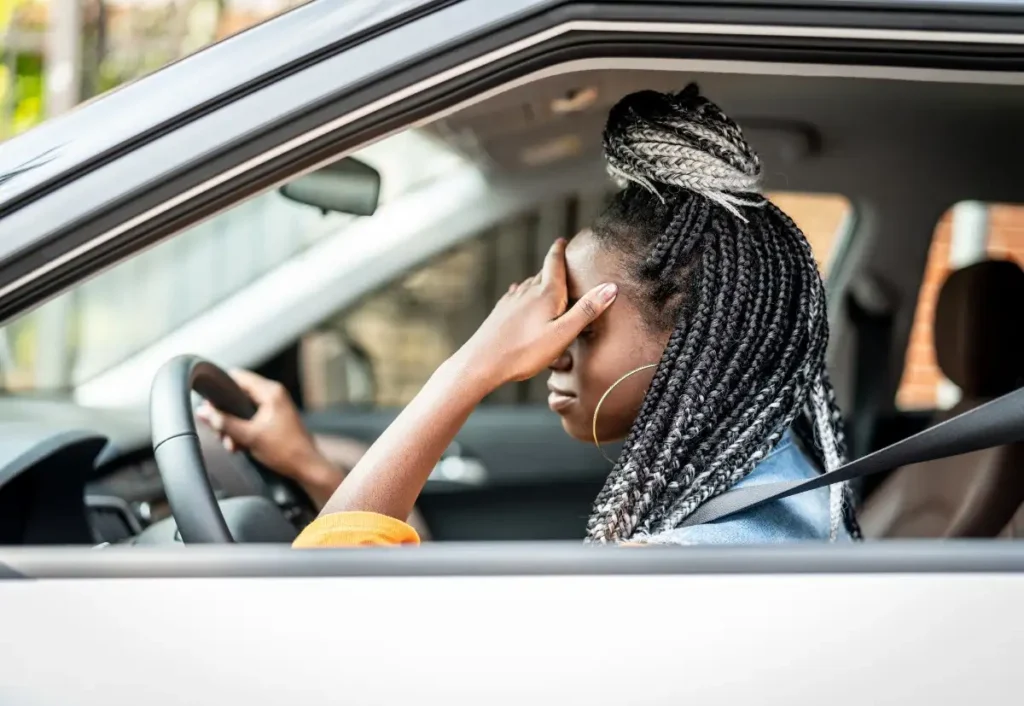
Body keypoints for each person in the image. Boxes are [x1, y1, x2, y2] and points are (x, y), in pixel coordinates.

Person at [198, 84, 861, 547]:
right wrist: (316, 471)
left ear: (698, 346)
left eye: (582, 325)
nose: (550, 352)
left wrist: (471, 369)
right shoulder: (759, 494)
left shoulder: (692, 564)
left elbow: (319, 604)